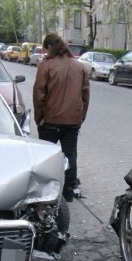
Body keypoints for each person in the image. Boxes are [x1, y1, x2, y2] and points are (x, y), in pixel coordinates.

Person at [33, 33, 90, 203]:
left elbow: (39, 94)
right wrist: (80, 117)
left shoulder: (46, 66)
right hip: (72, 121)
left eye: (45, 49)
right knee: (70, 154)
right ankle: (69, 190)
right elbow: (85, 96)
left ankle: (47, 191)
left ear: (50, 47)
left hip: (49, 121)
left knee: (47, 155)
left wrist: (39, 118)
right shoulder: (79, 67)